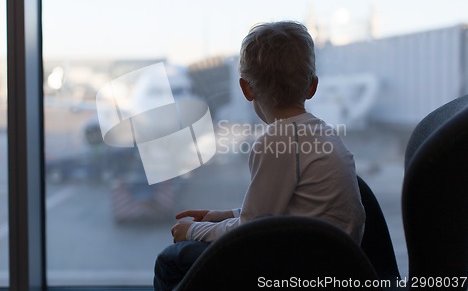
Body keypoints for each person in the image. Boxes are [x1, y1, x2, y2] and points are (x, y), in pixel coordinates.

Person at [153, 21, 366, 290]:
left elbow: (251, 230)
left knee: (172, 259)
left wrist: (192, 231)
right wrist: (224, 215)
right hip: (341, 262)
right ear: (312, 86)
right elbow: (285, 210)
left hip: (300, 272)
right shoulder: (323, 132)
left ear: (246, 89)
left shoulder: (276, 140)